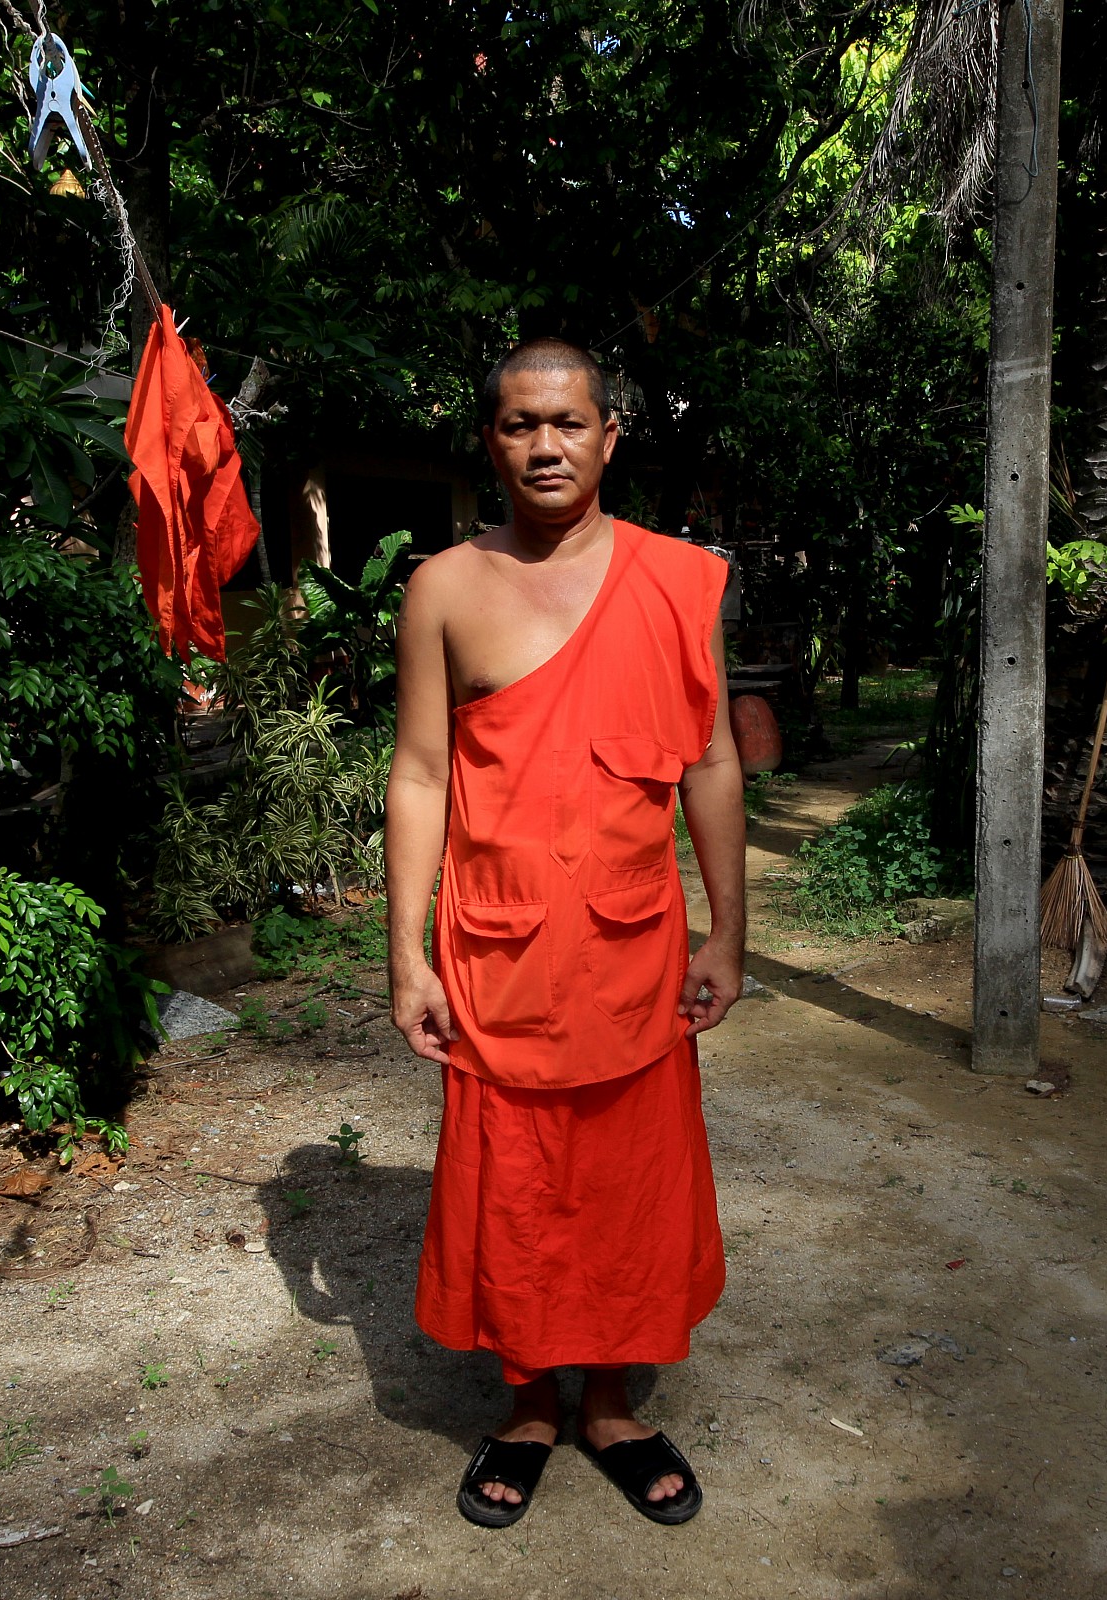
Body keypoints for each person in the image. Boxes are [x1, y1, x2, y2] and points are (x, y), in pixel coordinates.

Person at [385, 337, 747, 1528]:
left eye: (568, 422)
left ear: (609, 435)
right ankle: (532, 1403)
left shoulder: (679, 578)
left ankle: (612, 1407)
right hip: (499, 955)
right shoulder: (445, 585)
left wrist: (728, 936)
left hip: (633, 948)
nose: (545, 445)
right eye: (518, 425)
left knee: (624, 1182)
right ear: (489, 441)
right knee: (519, 1182)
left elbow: (709, 761)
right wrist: (408, 954)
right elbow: (424, 775)